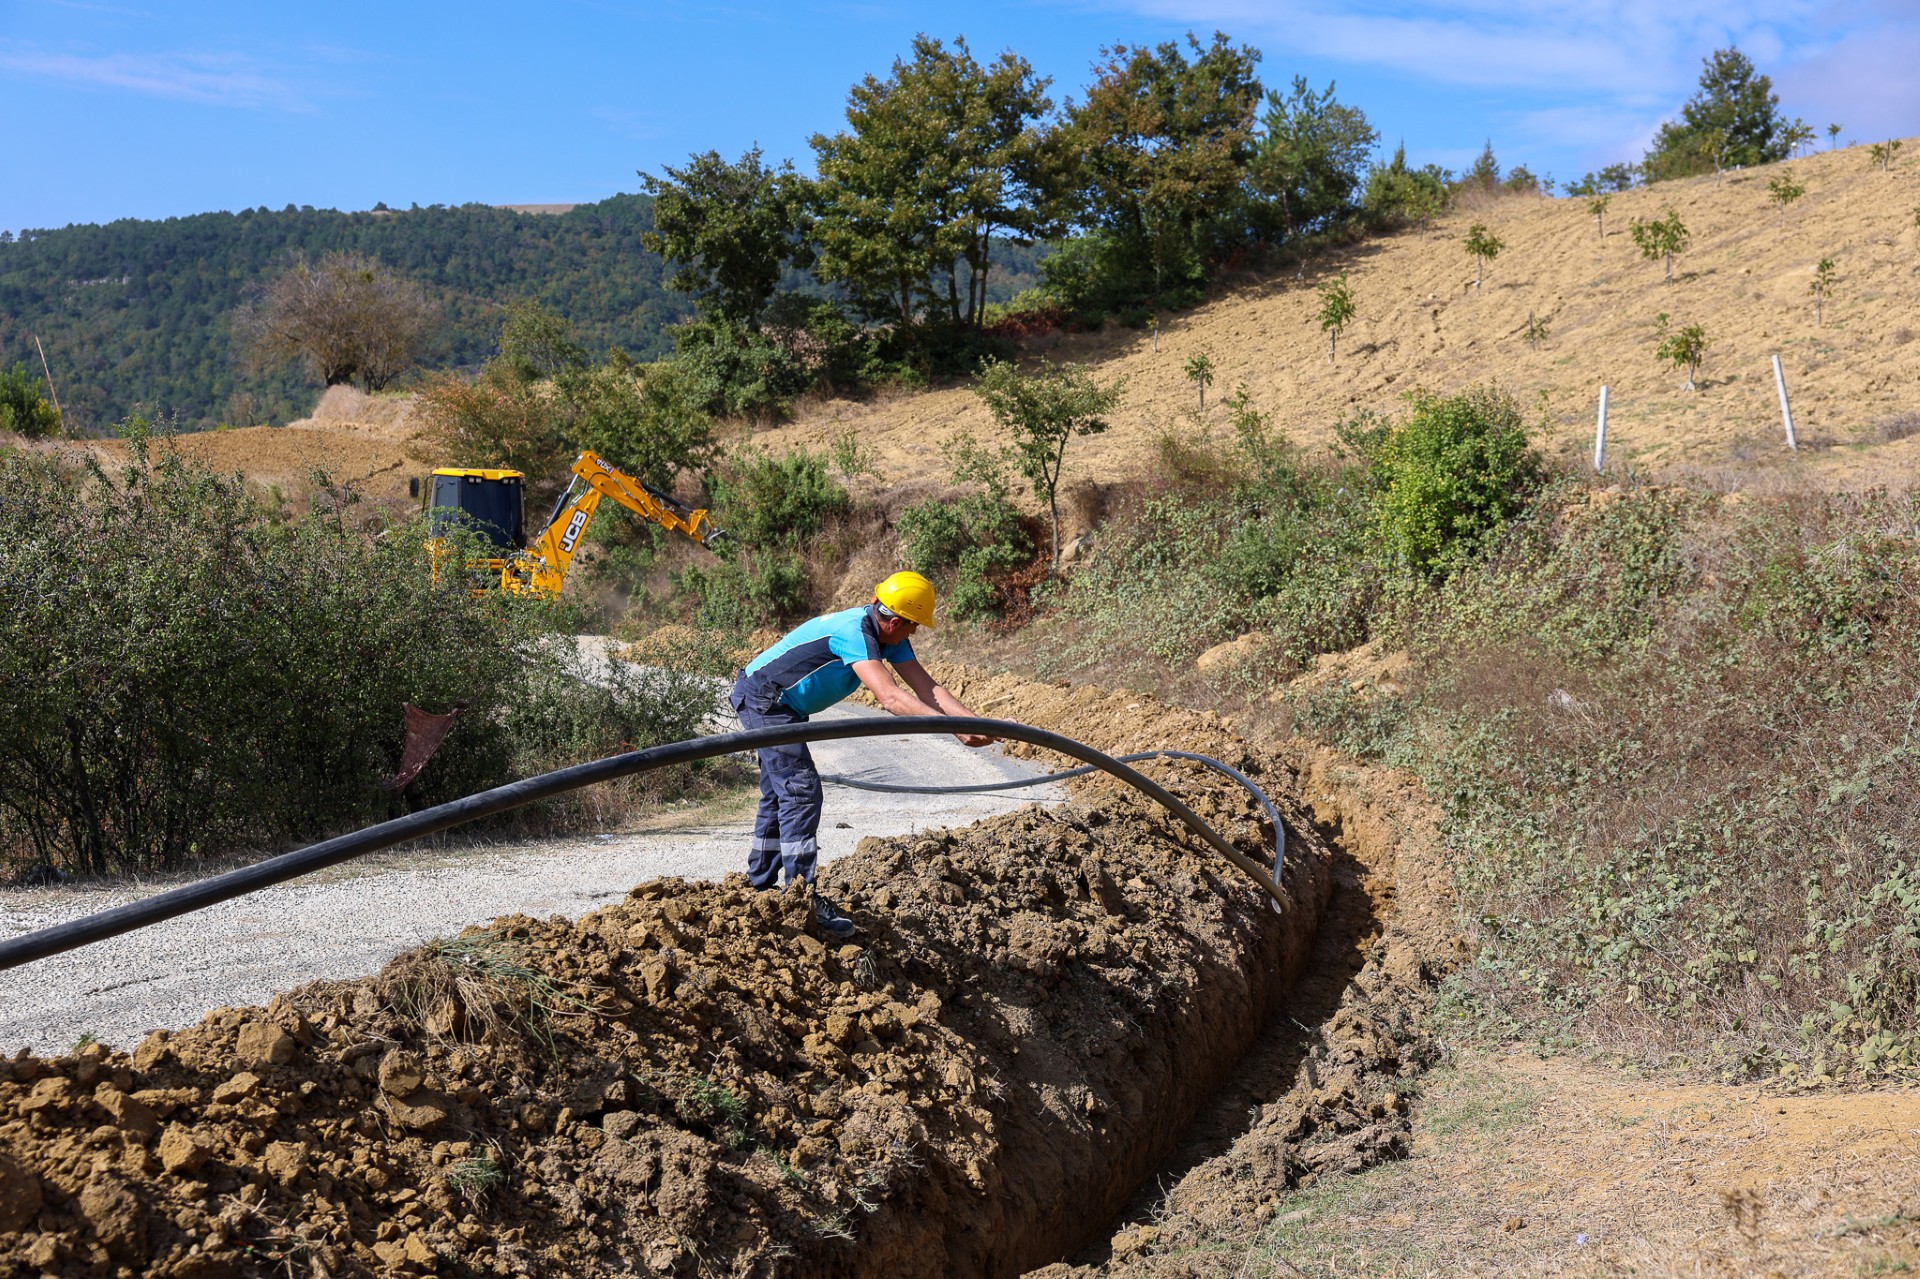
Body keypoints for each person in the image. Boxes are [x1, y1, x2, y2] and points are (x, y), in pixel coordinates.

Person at [729, 571, 996, 936]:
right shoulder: (853, 632)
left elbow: (929, 689)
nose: (915, 634)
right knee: (800, 790)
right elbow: (890, 697)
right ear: (896, 621)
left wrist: (984, 724)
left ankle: (761, 885)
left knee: (780, 794)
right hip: (764, 700)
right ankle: (799, 897)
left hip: (782, 707)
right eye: (913, 626)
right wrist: (953, 728)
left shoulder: (887, 636)